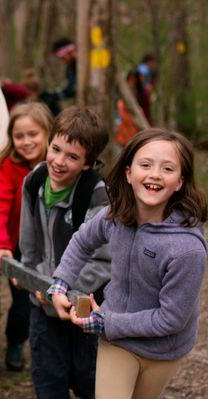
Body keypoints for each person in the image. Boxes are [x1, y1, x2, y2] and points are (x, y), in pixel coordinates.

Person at [50, 128, 207, 399]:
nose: (155, 174)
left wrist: (105, 322)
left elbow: (171, 318)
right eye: (145, 165)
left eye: (167, 168)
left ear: (180, 182)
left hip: (163, 349)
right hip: (117, 340)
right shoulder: (115, 215)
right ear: (128, 172)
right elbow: (83, 241)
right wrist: (60, 284)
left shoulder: (186, 250)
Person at [18, 107, 111, 398]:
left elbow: (103, 259)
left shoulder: (96, 194)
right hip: (43, 306)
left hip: (86, 308)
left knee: (89, 382)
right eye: (56, 149)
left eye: (72, 156)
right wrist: (32, 278)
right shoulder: (34, 181)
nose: (59, 161)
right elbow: (29, 241)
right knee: (48, 381)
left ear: (87, 163)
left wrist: (64, 290)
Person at [0, 102, 53, 371]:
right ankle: (16, 342)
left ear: (49, 132)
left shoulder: (60, 165)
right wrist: (0, 246)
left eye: (33, 134)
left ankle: (53, 354)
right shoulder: (8, 168)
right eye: (19, 136)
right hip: (20, 247)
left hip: (55, 247)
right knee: (24, 304)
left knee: (53, 298)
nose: (26, 142)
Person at [115, 69, 151, 148]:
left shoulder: (143, 94)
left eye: (134, 79)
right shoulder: (122, 93)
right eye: (130, 79)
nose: (132, 82)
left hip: (136, 125)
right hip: (124, 126)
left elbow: (146, 111)